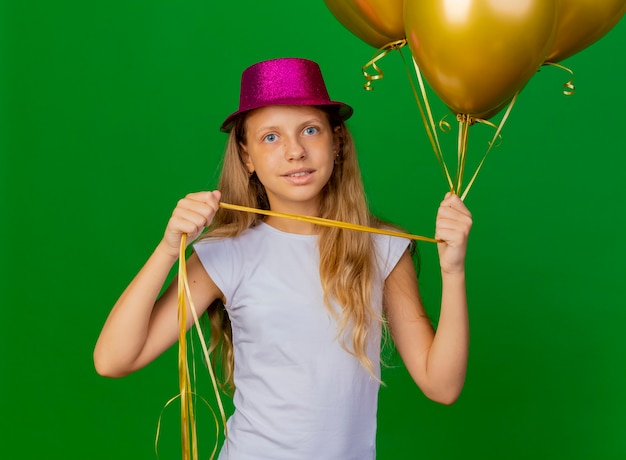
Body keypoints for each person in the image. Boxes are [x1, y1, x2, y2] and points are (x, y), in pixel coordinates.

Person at [94, 57, 472, 459]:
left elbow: (442, 385)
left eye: (310, 130)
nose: (295, 151)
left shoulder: (382, 248)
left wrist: (453, 271)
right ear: (247, 157)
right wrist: (169, 249)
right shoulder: (225, 255)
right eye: (270, 137)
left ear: (337, 142)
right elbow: (114, 359)